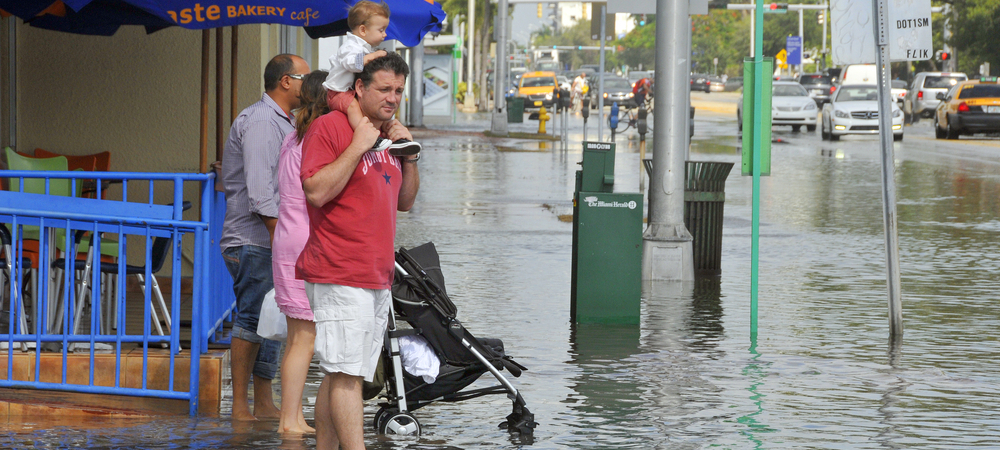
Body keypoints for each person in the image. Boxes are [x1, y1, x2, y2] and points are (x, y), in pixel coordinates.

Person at [298, 52, 419, 450]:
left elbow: (405, 202)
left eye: (399, 90)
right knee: (348, 375)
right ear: (360, 88)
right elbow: (315, 191)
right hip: (338, 269)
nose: (393, 97)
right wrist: (359, 146)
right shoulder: (330, 128)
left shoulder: (388, 136)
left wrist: (410, 155)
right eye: (384, 89)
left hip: (376, 274)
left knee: (339, 374)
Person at [220, 53, 310, 422]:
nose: (311, 84)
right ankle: (240, 405)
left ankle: (263, 401)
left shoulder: (286, 121)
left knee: (274, 317)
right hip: (256, 238)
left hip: (272, 238)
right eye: (305, 77)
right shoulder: (260, 120)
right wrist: (281, 243)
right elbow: (260, 193)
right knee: (251, 318)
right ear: (286, 81)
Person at [273, 70, 329, 434]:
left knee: (298, 337)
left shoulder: (292, 138)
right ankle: (289, 420)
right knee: (304, 339)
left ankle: (291, 417)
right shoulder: (315, 141)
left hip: (287, 236)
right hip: (305, 239)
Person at [323, 0, 421, 157]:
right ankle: (370, 138)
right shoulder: (350, 47)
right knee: (354, 108)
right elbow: (350, 63)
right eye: (381, 30)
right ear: (363, 30)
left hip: (347, 91)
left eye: (398, 91)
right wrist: (371, 57)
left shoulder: (363, 47)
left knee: (385, 116)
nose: (385, 34)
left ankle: (397, 140)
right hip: (337, 92)